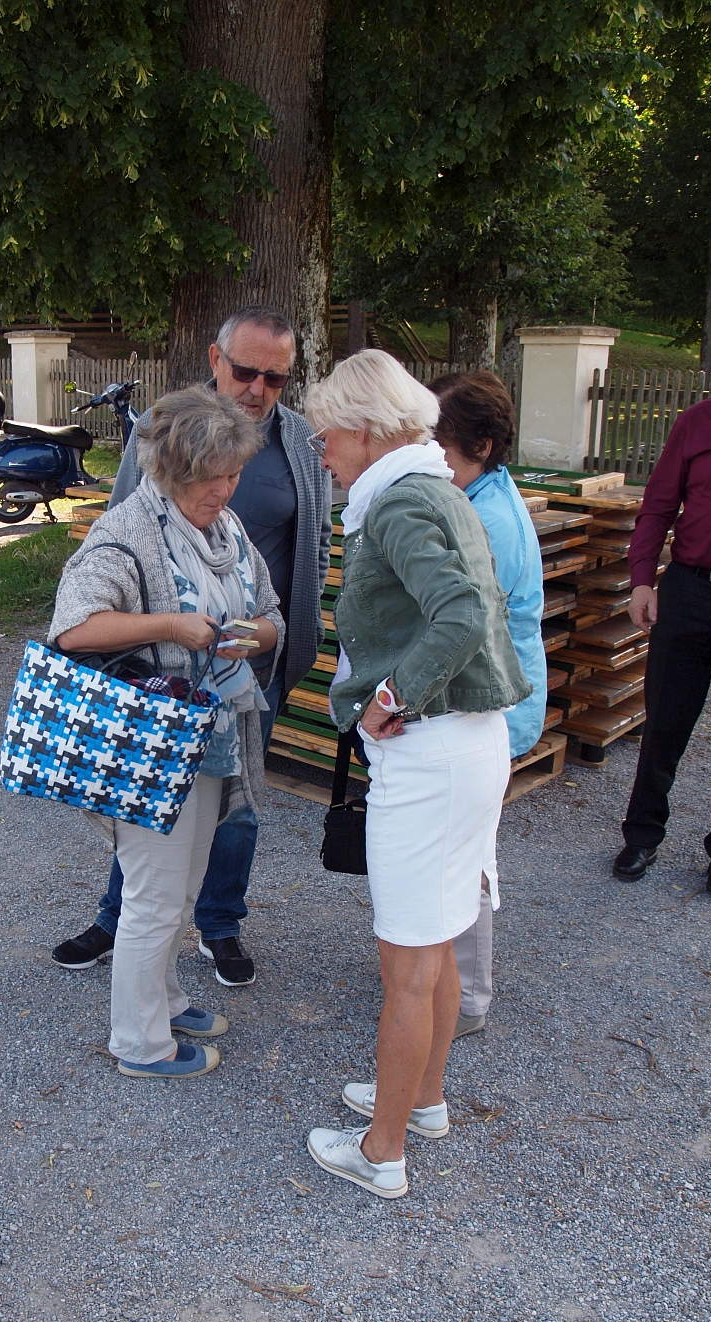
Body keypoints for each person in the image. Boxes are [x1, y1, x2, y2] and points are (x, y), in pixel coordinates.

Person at [302, 351, 529, 1198]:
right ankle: (422, 1100)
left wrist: (387, 697)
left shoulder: (397, 501)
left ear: (363, 430)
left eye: (327, 436)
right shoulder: (434, 485)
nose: (322, 451)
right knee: (433, 945)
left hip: (431, 753)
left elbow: (463, 613)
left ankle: (380, 1152)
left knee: (408, 964)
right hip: (468, 746)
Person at [51, 305, 332, 986]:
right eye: (246, 371)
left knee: (235, 805)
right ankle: (120, 921)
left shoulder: (297, 440)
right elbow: (122, 530)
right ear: (214, 360)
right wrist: (157, 628)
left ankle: (219, 925)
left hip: (244, 668)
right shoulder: (163, 430)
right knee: (146, 795)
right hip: (160, 676)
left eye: (276, 377)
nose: (259, 388)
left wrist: (272, 634)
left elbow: (314, 542)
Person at [48, 386, 285, 1079]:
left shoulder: (225, 531)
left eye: (233, 472)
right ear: (172, 472)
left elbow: (268, 610)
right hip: (146, 742)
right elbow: (72, 628)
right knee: (153, 898)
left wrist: (254, 635)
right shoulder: (127, 533)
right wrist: (171, 626)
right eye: (211, 476)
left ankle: (166, 997)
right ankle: (139, 1044)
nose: (225, 488)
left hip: (207, 735)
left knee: (180, 889)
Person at [429, 370, 547, 1038]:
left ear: (481, 442)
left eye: (438, 440)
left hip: (493, 707)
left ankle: (466, 997)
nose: (427, 453)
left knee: (465, 851)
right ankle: (439, 974)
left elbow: (459, 631)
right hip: (490, 698)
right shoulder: (478, 493)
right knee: (455, 844)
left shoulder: (487, 519)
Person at [612, 325, 711, 897]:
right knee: (665, 720)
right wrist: (641, 581)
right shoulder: (697, 425)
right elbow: (657, 507)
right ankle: (642, 834)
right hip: (690, 589)